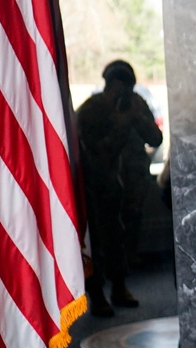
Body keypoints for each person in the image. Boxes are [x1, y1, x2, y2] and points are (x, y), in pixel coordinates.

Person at [76, 60, 162, 316]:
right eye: (121, 87)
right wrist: (120, 122)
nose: (125, 93)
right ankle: (96, 294)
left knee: (118, 238)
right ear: (111, 85)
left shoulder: (135, 104)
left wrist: (137, 115)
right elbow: (95, 153)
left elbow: (155, 139)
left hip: (123, 184)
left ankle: (120, 287)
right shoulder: (92, 110)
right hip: (95, 187)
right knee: (96, 242)